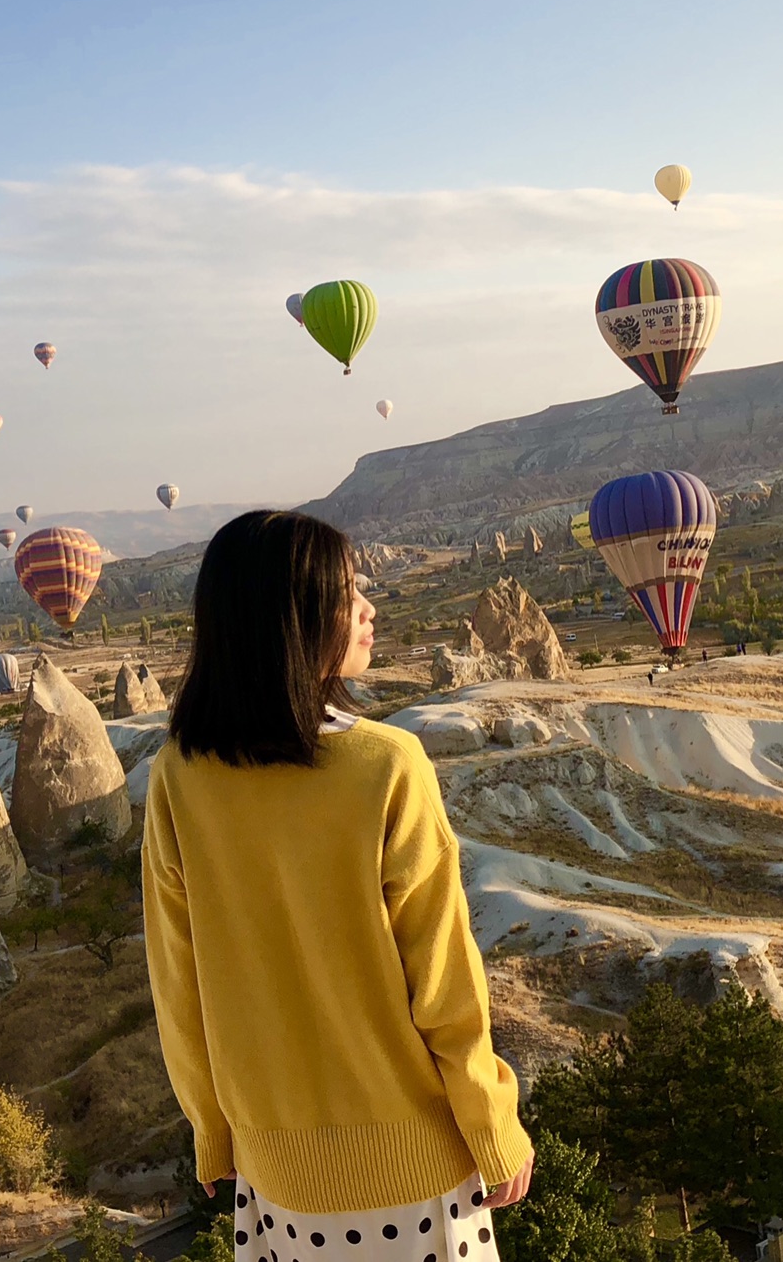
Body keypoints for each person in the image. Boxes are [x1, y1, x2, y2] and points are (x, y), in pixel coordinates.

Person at [143, 511, 533, 1259]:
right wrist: (493, 1123)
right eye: (347, 592)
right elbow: (444, 978)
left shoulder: (179, 776)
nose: (369, 609)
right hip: (412, 1174)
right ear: (292, 618)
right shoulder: (389, 764)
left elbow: (177, 978)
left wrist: (212, 1128)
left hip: (273, 1174)